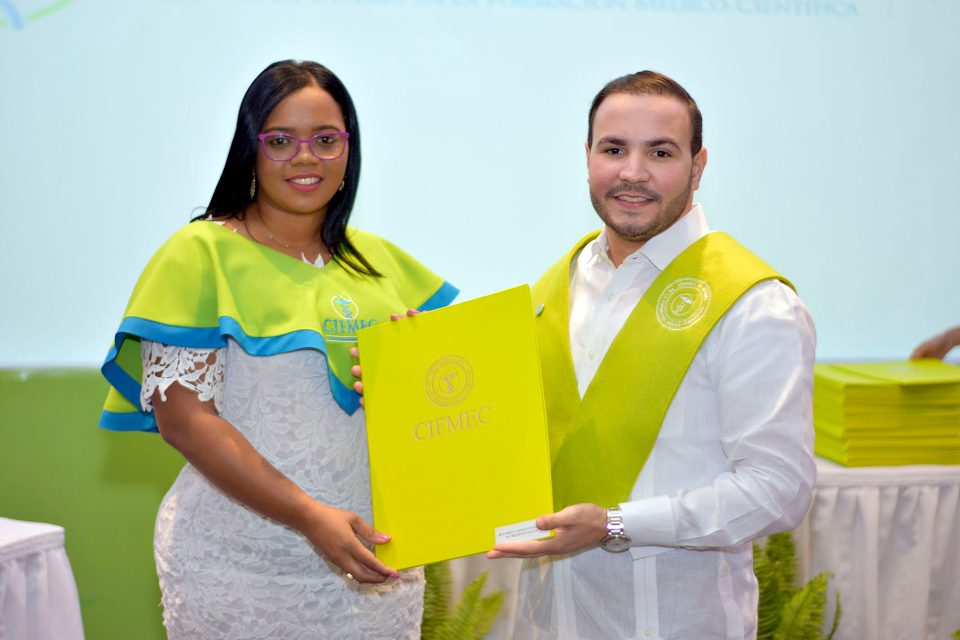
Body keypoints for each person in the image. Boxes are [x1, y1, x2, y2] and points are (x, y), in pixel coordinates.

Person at [98, 60, 457, 639]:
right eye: (282, 141)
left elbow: (435, 413)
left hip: (378, 568)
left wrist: (416, 376)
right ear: (251, 149)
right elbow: (185, 422)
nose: (306, 157)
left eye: (326, 140)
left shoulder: (383, 263)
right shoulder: (199, 254)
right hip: (239, 573)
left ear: (349, 149)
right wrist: (309, 517)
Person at [487, 71, 817, 639]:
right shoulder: (555, 289)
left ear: (698, 165)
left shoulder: (752, 304)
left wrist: (617, 524)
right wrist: (411, 378)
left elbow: (778, 488)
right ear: (587, 157)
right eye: (613, 149)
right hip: (545, 622)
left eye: (660, 152)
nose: (632, 172)